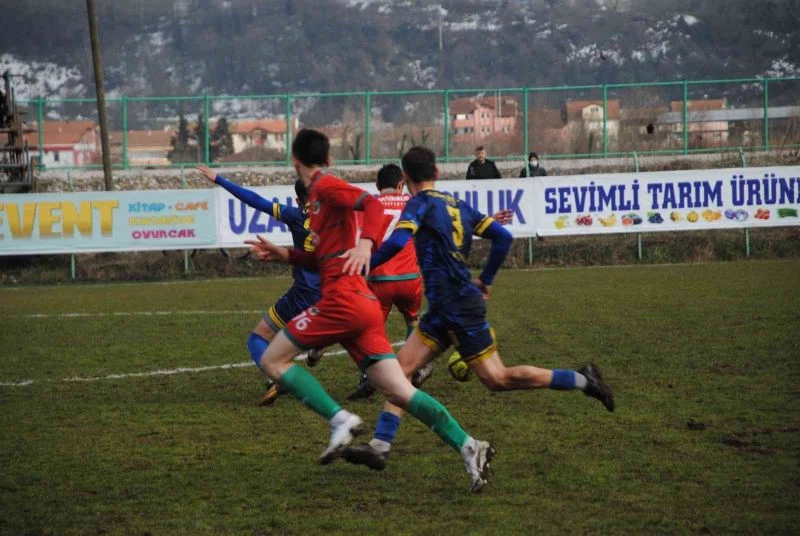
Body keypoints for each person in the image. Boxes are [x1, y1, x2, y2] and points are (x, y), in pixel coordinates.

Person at [245, 129, 496, 492]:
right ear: (329, 157)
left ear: (294, 160)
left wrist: (366, 244)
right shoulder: (320, 196)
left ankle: (339, 420)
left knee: (272, 359)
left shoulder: (325, 185)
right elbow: (326, 256)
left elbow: (374, 205)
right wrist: (286, 254)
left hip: (342, 301)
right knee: (400, 391)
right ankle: (470, 446)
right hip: (361, 306)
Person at [342, 145, 614, 471]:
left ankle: (583, 379)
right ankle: (380, 445)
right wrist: (485, 279)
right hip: (443, 308)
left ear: (407, 178)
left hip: (459, 308)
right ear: (437, 174)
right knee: (399, 373)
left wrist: (366, 263)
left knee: (497, 379)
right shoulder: (458, 205)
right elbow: (501, 237)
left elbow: (399, 242)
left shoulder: (420, 204)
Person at [346, 164, 515, 401]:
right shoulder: (415, 202)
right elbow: (445, 227)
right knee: (412, 321)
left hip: (380, 278)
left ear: (377, 186)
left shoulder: (370, 205)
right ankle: (420, 366)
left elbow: (359, 238)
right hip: (411, 278)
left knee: (373, 330)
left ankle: (370, 376)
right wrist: (489, 222)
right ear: (400, 185)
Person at [196, 165, 326, 406]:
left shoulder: (295, 215)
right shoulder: (336, 215)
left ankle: (277, 377)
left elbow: (256, 201)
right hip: (334, 292)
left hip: (302, 295)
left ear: (298, 199)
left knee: (258, 337)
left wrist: (220, 180)